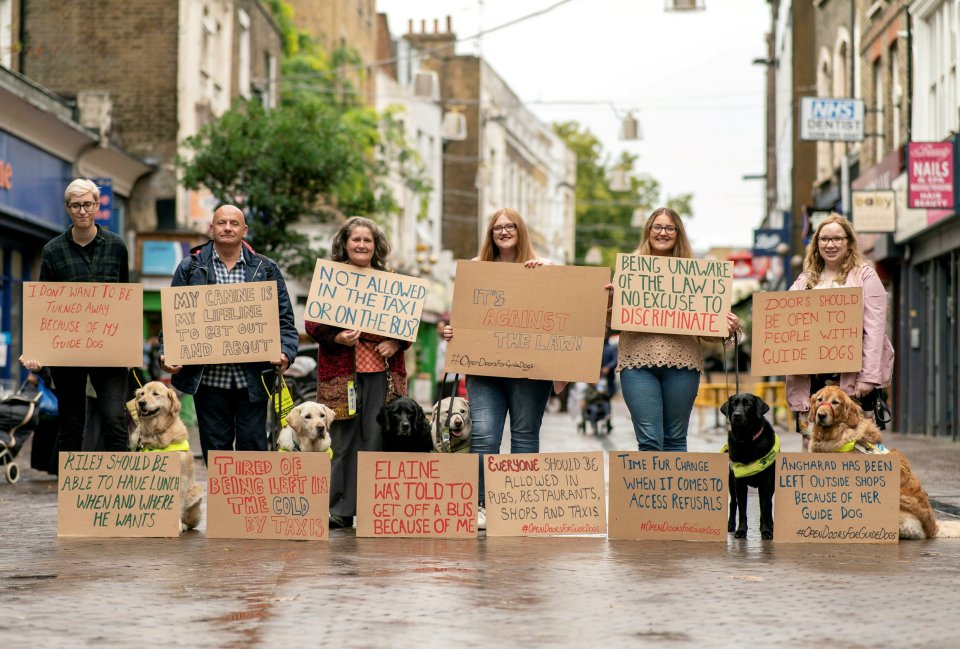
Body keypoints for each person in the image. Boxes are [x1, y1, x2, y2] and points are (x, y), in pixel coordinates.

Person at [443, 207, 554, 529]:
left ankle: (519, 506)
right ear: (490, 235)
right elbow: (462, 317)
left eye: (510, 227)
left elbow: (563, 307)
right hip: (485, 369)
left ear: (521, 231)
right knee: (486, 436)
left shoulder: (544, 268)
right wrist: (450, 330)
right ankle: (479, 505)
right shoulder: (475, 270)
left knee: (524, 435)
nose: (503, 232)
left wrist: (546, 273)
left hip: (529, 370)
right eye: (497, 228)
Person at [159, 205, 298, 463]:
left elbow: (286, 322)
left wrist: (285, 353)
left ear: (244, 230)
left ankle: (251, 503)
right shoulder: (189, 268)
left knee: (253, 450)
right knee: (216, 452)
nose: (227, 228)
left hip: (253, 381)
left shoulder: (266, 269)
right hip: (208, 381)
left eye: (234, 223)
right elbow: (171, 323)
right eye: (221, 223)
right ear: (211, 229)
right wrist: (166, 354)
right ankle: (223, 505)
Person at [305, 216, 410, 529]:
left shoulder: (390, 280)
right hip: (342, 377)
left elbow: (407, 326)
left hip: (383, 376)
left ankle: (375, 507)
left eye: (368, 240)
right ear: (345, 244)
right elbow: (312, 324)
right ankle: (340, 509)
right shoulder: (330, 278)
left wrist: (395, 342)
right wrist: (336, 337)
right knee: (343, 441)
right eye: (356, 240)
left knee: (377, 439)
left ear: (376, 246)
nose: (362, 245)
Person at [615, 207, 741, 452]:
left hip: (683, 365)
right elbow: (611, 321)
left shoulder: (696, 275)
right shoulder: (630, 269)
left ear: (678, 233)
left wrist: (726, 325)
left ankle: (673, 493)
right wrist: (611, 301)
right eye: (657, 227)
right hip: (637, 364)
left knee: (675, 438)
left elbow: (708, 332)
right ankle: (650, 492)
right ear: (648, 231)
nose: (663, 233)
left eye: (669, 228)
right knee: (649, 440)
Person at [19, 179, 131, 453]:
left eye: (88, 204)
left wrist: (127, 344)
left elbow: (125, 297)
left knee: (114, 419)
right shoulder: (52, 251)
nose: (82, 211)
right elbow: (42, 304)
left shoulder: (117, 246)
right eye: (76, 205)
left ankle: (124, 489)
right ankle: (71, 493)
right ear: (68, 208)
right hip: (67, 351)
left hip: (109, 350)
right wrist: (34, 349)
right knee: (70, 423)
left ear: (97, 206)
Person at [785, 213, 894, 451]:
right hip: (812, 378)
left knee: (857, 440)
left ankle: (853, 488)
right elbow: (786, 320)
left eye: (837, 239)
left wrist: (868, 376)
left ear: (848, 242)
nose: (830, 244)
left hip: (852, 377)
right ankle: (816, 488)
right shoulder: (805, 280)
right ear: (816, 244)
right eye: (824, 239)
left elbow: (875, 329)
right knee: (811, 440)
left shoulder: (865, 275)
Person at [434, 319, 457, 402]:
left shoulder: (448, 342)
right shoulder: (442, 342)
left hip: (449, 378)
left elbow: (450, 357)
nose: (438, 330)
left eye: (441, 327)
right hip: (443, 378)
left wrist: (444, 373)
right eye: (438, 328)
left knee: (444, 402)